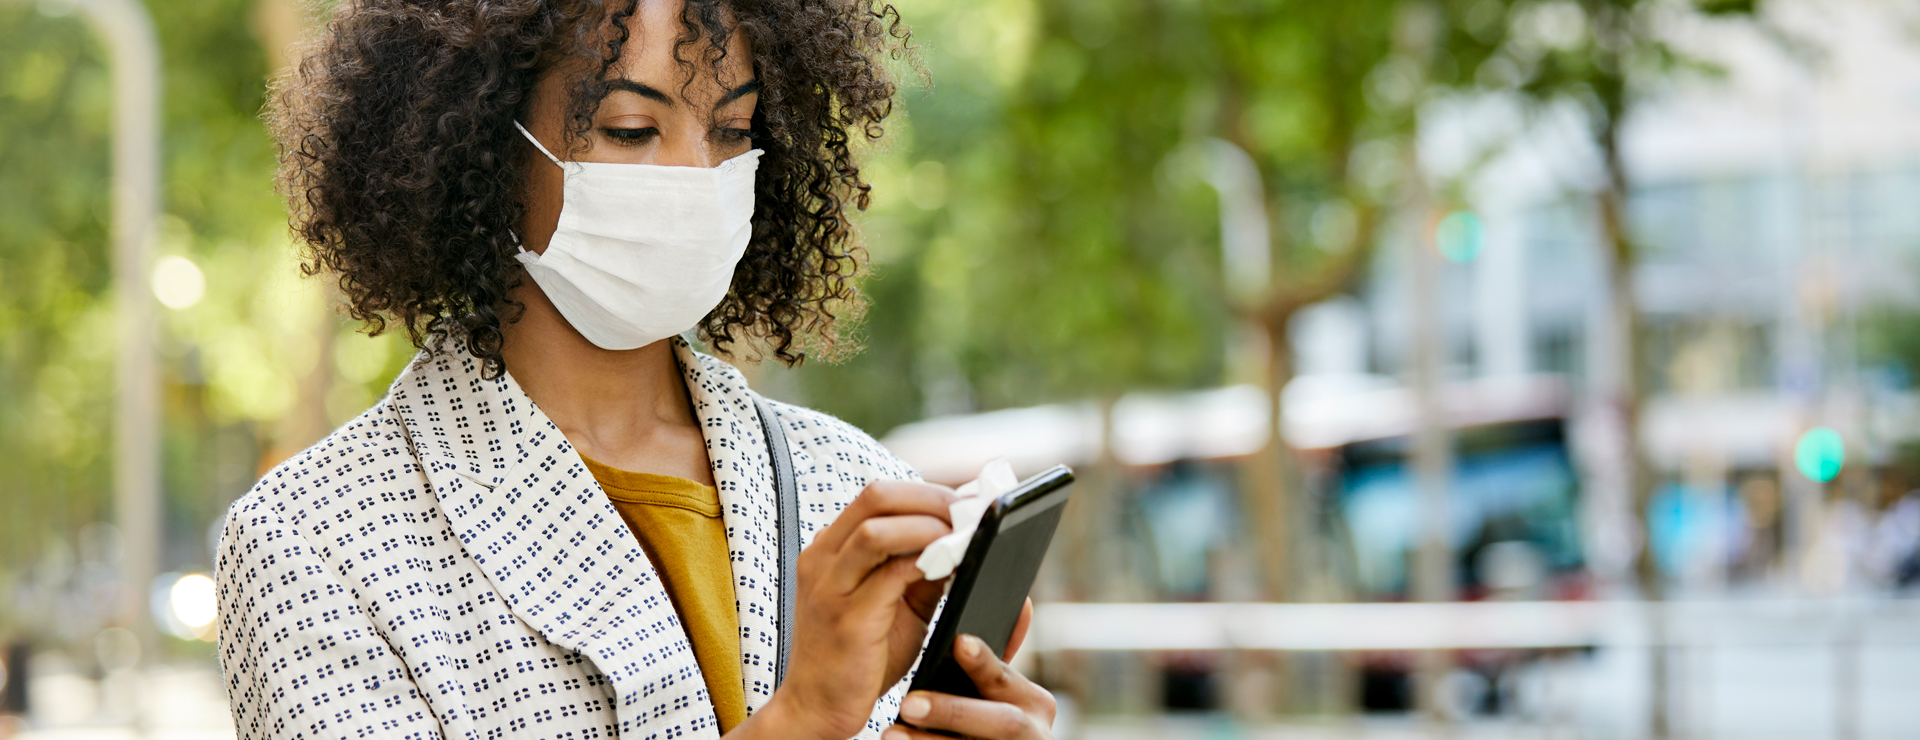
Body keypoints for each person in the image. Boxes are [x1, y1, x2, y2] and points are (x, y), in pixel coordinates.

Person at [213, 1, 1055, 738]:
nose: (698, 178)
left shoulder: (856, 488)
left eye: (732, 130)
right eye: (630, 130)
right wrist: (797, 729)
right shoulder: (312, 548)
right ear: (483, 139)